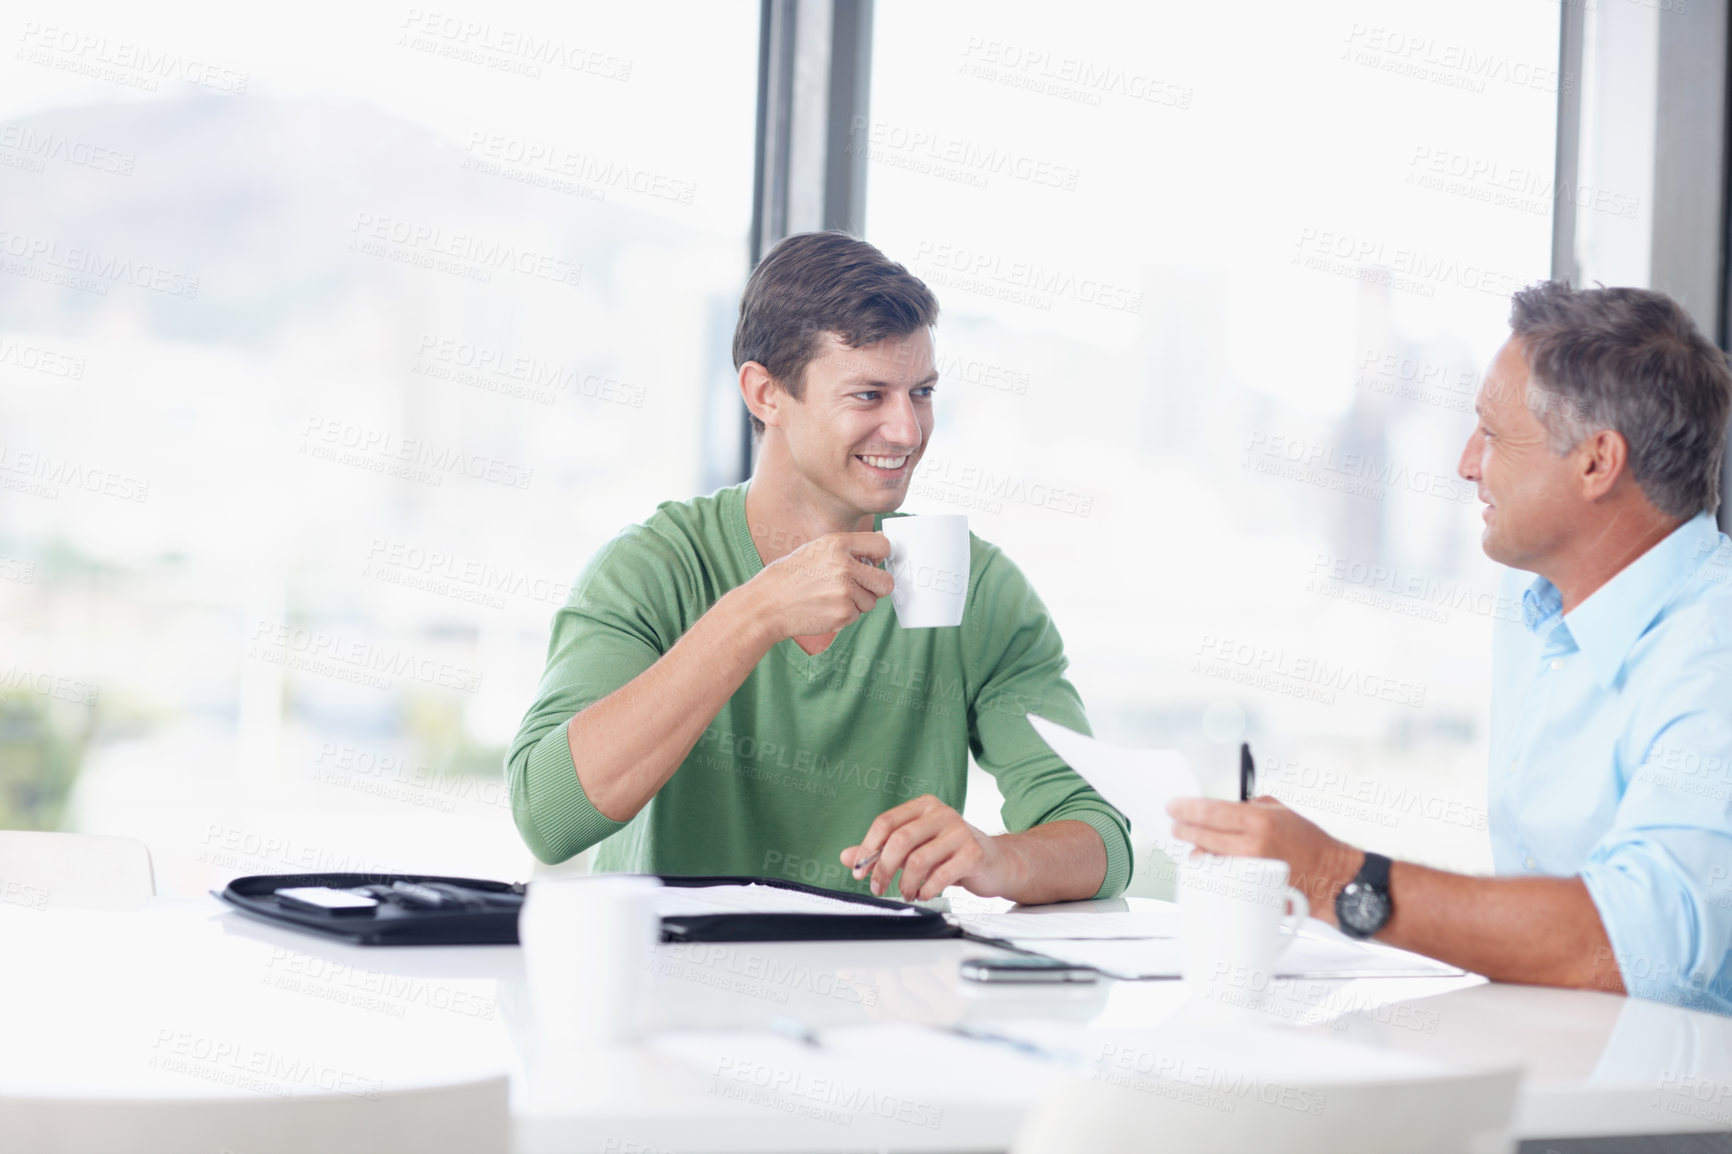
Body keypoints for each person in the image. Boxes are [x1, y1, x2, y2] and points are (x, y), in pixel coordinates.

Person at [507, 231, 1130, 904]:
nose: (907, 431)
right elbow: (549, 817)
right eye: (869, 396)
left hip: (891, 1000)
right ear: (765, 394)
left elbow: (1101, 835)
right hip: (678, 996)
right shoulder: (653, 568)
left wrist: (998, 858)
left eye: (920, 392)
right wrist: (757, 613)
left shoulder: (977, 587)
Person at [1171, 282, 1732, 1014]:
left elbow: (1639, 948)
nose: (1467, 464)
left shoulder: (1712, 650)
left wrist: (1337, 877)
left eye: (1493, 434)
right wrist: (1294, 858)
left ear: (1597, 462)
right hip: (1563, 1056)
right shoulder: (1535, 598)